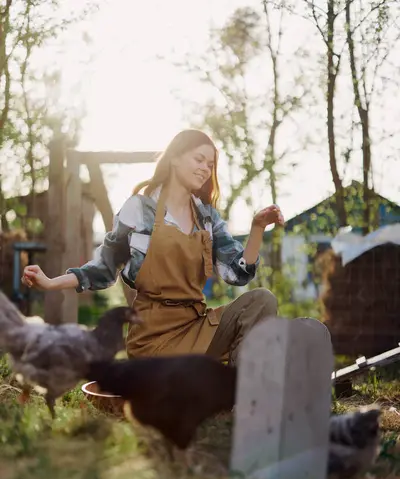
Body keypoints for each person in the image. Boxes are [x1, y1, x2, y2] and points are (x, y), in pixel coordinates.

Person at [22, 129, 284, 365]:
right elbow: (104, 267)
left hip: (196, 327)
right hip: (153, 339)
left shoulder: (207, 217)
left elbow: (236, 273)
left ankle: (244, 398)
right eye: (199, 159)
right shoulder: (140, 208)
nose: (206, 168)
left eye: (210, 164)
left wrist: (258, 229)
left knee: (261, 301)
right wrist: (50, 282)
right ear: (175, 158)